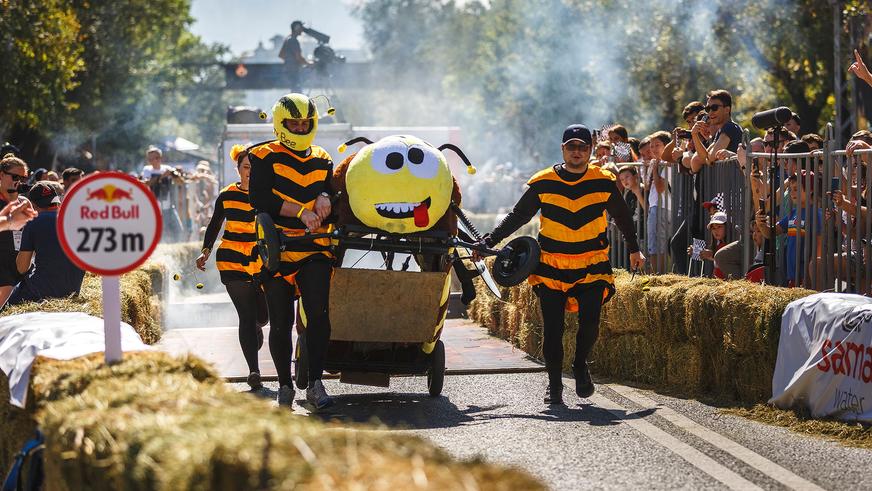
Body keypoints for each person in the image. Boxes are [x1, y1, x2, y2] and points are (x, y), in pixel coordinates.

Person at [483, 124, 645, 405]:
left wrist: (634, 249)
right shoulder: (543, 181)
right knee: (554, 328)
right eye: (572, 147)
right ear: (563, 149)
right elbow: (518, 216)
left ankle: (581, 364)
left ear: (590, 150)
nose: (577, 152)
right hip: (550, 266)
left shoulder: (603, 180)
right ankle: (554, 384)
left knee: (590, 322)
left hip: (591, 264)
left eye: (583, 147)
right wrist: (491, 239)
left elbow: (622, 216)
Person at [248, 93, 335, 410]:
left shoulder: (324, 157)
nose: (300, 128)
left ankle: (315, 384)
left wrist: (326, 194)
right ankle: (285, 385)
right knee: (281, 323)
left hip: (314, 248)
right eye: (293, 123)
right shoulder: (263, 155)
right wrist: (300, 212)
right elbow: (259, 200)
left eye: (305, 123)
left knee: (318, 316)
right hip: (277, 249)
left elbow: (333, 197)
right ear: (279, 123)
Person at [197, 145, 268, 390]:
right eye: (246, 167)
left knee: (262, 316)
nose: (250, 172)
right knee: (246, 317)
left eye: (254, 168)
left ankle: (258, 327)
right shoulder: (227, 195)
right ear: (238, 169)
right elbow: (215, 224)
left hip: (263, 260)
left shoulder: (270, 194)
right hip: (232, 258)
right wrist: (205, 251)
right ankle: (254, 371)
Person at [7, 182, 86, 306]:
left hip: (40, 291)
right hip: (73, 291)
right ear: (56, 201)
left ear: (33, 205)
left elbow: (22, 267)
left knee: (6, 310)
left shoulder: (34, 222)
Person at [0, 155, 30, 307]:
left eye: (24, 179)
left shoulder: (24, 202)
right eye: (15, 177)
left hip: (18, 269)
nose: (19, 181)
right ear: (2, 174)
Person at [141, 146, 185, 242]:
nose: (153, 161)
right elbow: (147, 183)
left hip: (169, 206)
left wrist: (174, 174)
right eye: (150, 159)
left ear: (160, 158)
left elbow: (181, 182)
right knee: (161, 234)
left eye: (156, 158)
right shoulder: (147, 170)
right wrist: (161, 176)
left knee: (179, 231)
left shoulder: (167, 168)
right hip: (156, 207)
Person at [278, 21, 311, 92]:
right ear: (296, 28)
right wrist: (309, 64)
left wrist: (289, 61)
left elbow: (281, 55)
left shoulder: (288, 39)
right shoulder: (294, 41)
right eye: (301, 27)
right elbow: (298, 57)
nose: (302, 30)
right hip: (294, 71)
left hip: (289, 70)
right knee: (297, 93)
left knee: (294, 92)